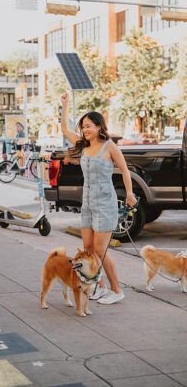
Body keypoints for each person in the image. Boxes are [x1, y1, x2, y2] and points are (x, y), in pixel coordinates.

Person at [60, 92, 135, 305]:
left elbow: (125, 170)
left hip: (105, 203)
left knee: (100, 250)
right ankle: (100, 288)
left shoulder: (109, 146)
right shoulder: (83, 145)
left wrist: (129, 193)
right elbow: (65, 129)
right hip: (88, 203)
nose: (85, 130)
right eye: (83, 126)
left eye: (88, 126)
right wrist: (65, 105)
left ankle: (117, 289)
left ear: (99, 127)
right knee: (88, 249)